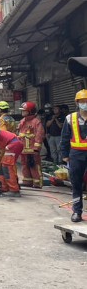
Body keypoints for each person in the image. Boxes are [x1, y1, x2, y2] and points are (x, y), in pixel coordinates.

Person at [60, 89, 87, 223]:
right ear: (77, 103)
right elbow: (64, 137)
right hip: (76, 155)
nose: (85, 104)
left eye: (86, 101)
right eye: (82, 101)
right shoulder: (70, 118)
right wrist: (65, 155)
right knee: (76, 184)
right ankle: (77, 211)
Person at [17, 102, 45, 188]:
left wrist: (36, 148)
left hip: (32, 149)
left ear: (30, 111)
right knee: (25, 165)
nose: (22, 112)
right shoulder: (22, 121)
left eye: (24, 111)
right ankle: (27, 181)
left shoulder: (36, 122)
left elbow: (39, 135)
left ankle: (37, 182)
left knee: (34, 165)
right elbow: (20, 134)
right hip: (23, 149)